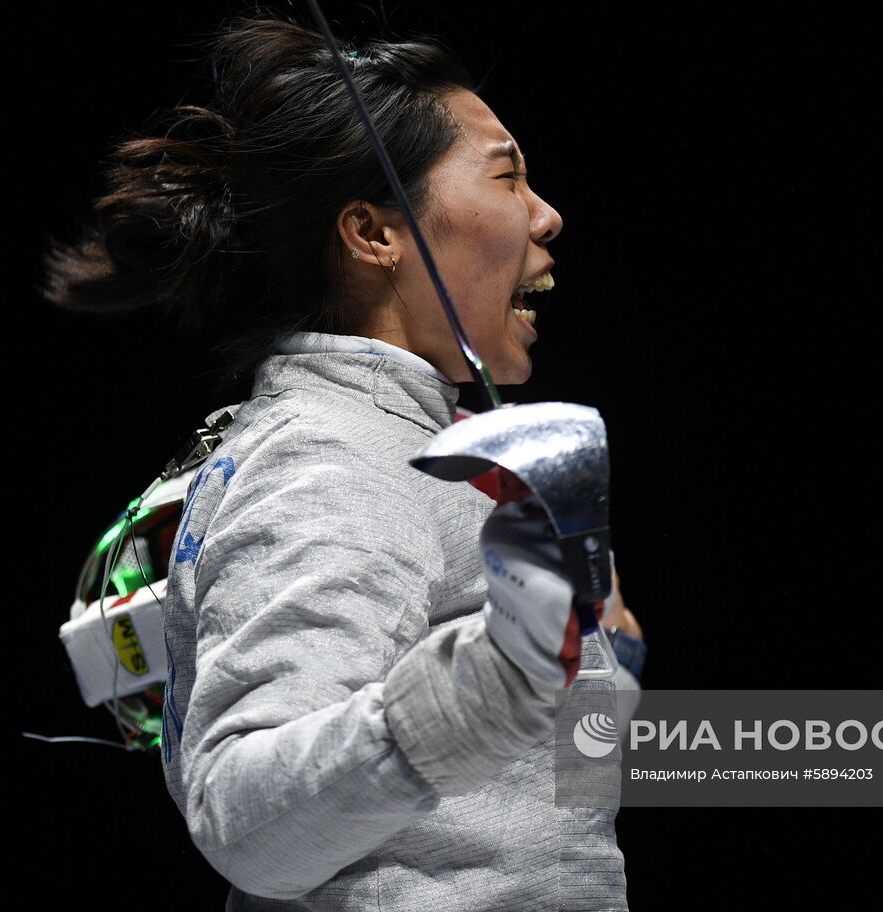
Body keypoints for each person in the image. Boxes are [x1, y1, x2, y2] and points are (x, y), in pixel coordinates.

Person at [40, 13, 647, 911]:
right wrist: (501, 676)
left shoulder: (429, 452)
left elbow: (511, 820)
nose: (545, 213)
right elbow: (249, 819)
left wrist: (601, 663)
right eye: (507, 174)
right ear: (373, 234)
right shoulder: (330, 459)